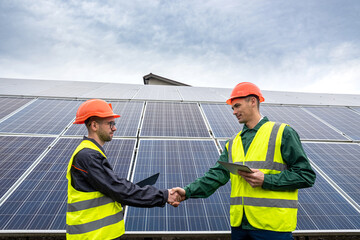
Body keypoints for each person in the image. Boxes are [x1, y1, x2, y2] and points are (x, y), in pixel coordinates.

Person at [173, 82, 316, 240]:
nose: (234, 112)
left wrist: (266, 180)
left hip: (271, 228)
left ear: (253, 101)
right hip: (240, 226)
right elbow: (216, 175)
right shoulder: (233, 142)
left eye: (237, 106)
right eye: (232, 108)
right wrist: (187, 192)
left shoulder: (282, 132)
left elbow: (306, 175)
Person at [66, 99, 180, 240]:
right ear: (94, 125)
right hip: (94, 236)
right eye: (110, 123)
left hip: (101, 235)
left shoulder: (91, 153)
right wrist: (164, 195)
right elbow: (119, 189)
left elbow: (109, 190)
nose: (114, 128)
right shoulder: (88, 156)